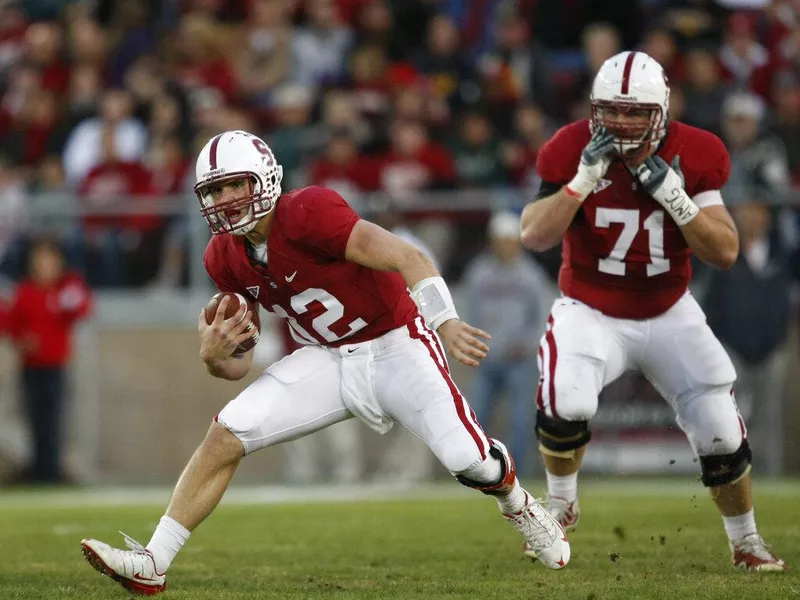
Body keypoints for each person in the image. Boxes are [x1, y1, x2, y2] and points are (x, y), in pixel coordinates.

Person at [79, 129, 570, 595]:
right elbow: (238, 364)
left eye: (235, 184)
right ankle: (153, 561)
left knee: (469, 461)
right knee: (227, 431)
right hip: (329, 358)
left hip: (397, 342)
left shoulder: (309, 211)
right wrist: (211, 356)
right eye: (216, 190)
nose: (226, 199)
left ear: (265, 178)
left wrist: (446, 321)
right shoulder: (223, 257)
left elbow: (407, 256)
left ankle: (518, 502)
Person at [519, 50, 785, 572]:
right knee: (564, 400)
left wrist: (674, 194)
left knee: (720, 431)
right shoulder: (573, 146)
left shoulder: (698, 151)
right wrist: (580, 182)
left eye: (635, 112)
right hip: (590, 307)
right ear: (594, 109)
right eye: (611, 110)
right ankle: (560, 505)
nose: (621, 123)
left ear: (661, 112)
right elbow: (533, 233)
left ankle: (747, 541)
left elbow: (725, 251)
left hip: (668, 308)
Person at [462, 211, 555, 477]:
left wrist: (526, 344)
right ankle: (476, 472)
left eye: (509, 240)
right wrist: (472, 345)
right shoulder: (478, 272)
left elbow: (543, 317)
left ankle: (515, 475)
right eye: (501, 240)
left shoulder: (530, 275)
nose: (505, 245)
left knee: (520, 421)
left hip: (519, 359)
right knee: (475, 418)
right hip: (486, 358)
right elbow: (468, 313)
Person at [6, 238, 92, 484]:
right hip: (31, 366)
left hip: (55, 366)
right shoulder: (25, 292)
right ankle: (38, 467)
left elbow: (83, 308)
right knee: (35, 418)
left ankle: (52, 468)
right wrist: (23, 341)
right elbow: (12, 326)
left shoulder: (65, 290)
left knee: (54, 418)